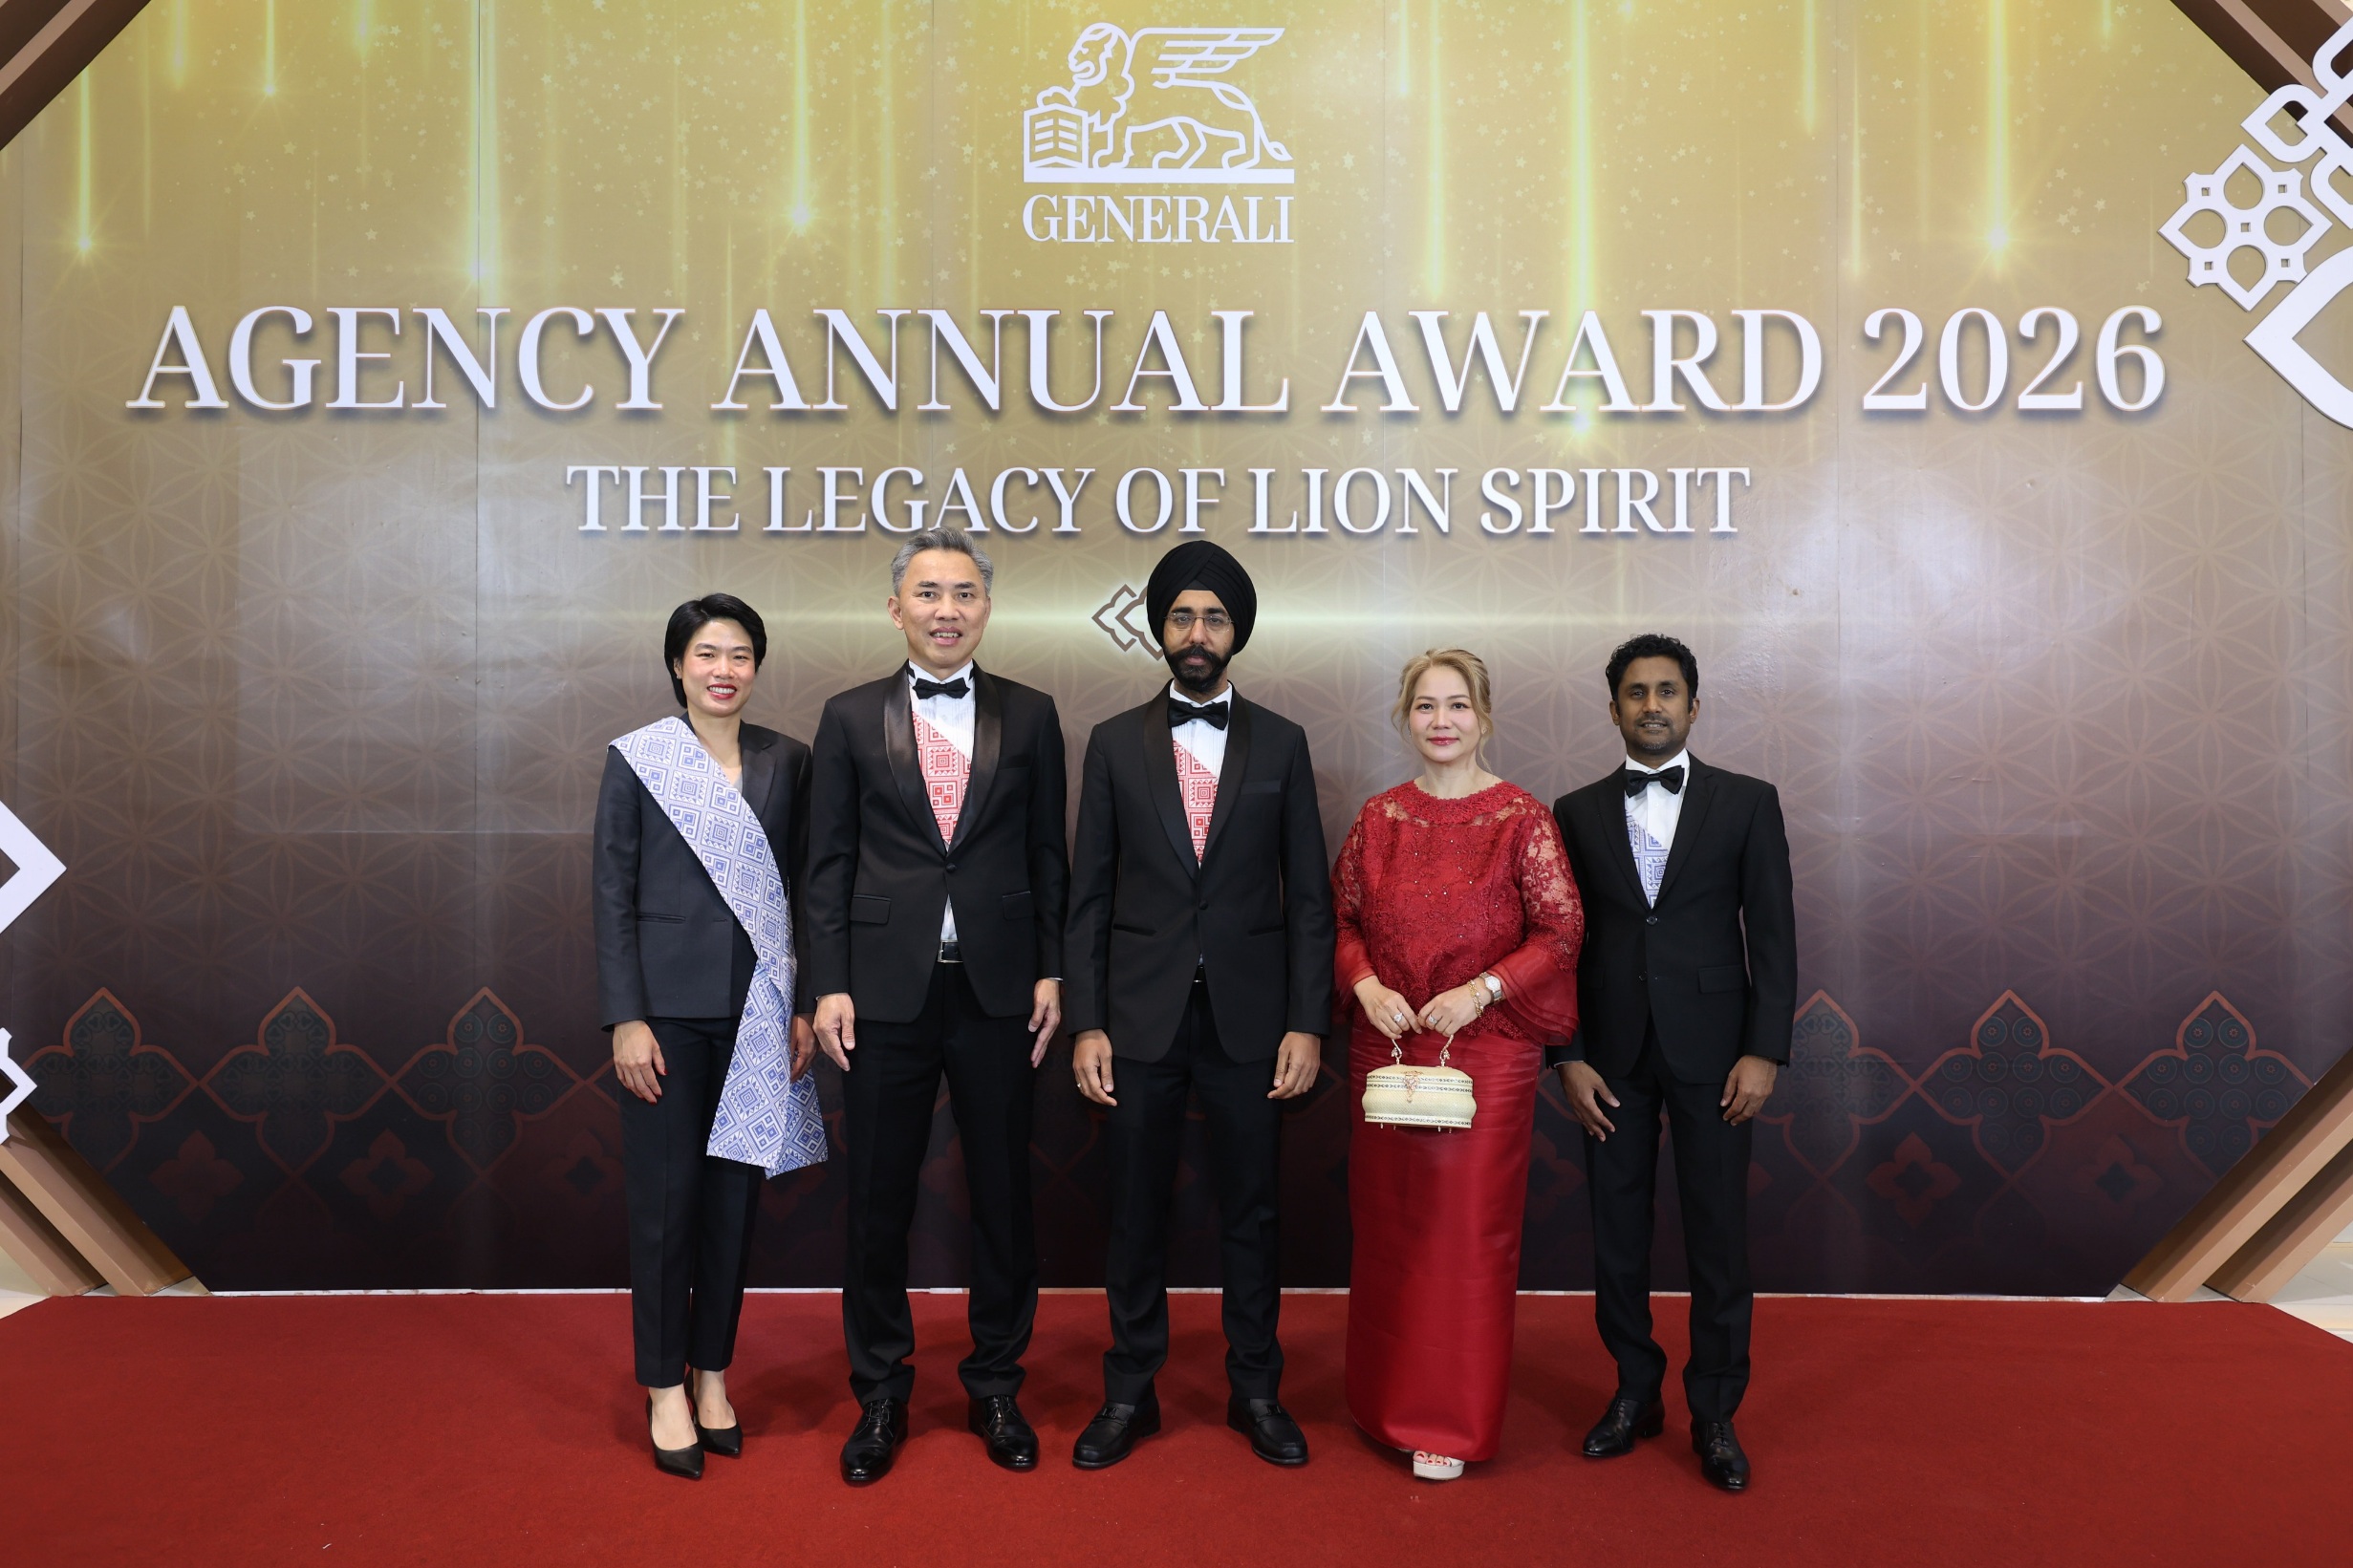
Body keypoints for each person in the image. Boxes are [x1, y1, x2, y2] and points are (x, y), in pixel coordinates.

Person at [804, 527, 1069, 1485]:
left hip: (1000, 989)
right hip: (880, 991)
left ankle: (995, 1384)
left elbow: (1049, 854)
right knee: (877, 1200)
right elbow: (826, 862)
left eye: (963, 593)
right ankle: (880, 1390)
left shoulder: (1032, 714)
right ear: (895, 609)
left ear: (985, 608)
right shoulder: (847, 716)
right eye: (928, 593)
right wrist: (828, 980)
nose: (946, 609)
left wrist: (1052, 969)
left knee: (1003, 1198)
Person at [1065, 539, 1334, 1471]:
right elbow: (1087, 897)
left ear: (1236, 632)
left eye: (1214, 617)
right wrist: (1088, 1020)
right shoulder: (1111, 742)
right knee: (1134, 1211)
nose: (1196, 632)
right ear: (1159, 628)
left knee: (1251, 1212)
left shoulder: (1283, 742)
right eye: (1181, 615)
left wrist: (1306, 1021)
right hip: (1137, 1017)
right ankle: (1128, 1392)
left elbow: (1309, 898)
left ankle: (1255, 1388)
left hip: (1252, 1021)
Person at [1549, 634, 1796, 1493]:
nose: (1651, 704)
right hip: (1609, 1057)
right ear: (1614, 707)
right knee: (1616, 1236)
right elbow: (1559, 943)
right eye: (1635, 692)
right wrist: (1568, 1054)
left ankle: (1716, 1410)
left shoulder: (1748, 801)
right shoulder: (1573, 810)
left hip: (1718, 1053)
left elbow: (1773, 933)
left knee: (1718, 1237)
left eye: (1666, 691)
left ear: (1694, 705)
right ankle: (1634, 1391)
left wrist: (1763, 1049)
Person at [1332, 649, 1584, 1482]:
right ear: (1404, 717)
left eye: (1458, 705)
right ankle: (1380, 1401)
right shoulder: (1378, 817)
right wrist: (1365, 985)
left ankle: (1449, 1418)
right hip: (1387, 1044)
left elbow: (1562, 931)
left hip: (1487, 1052)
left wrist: (1481, 991)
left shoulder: (1521, 818)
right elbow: (1340, 920)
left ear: (1485, 716)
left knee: (1464, 1239)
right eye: (1425, 705)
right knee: (1390, 1232)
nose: (1441, 720)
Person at [594, 594, 828, 1481]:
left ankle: (713, 1372)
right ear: (677, 665)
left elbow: (807, 888)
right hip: (662, 1017)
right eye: (706, 653)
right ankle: (664, 1386)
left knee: (733, 1205)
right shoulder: (640, 758)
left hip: (758, 1011)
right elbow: (611, 893)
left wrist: (801, 1003)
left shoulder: (788, 759)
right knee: (666, 1207)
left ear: (756, 667)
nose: (723, 669)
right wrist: (625, 1016)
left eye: (739, 654)